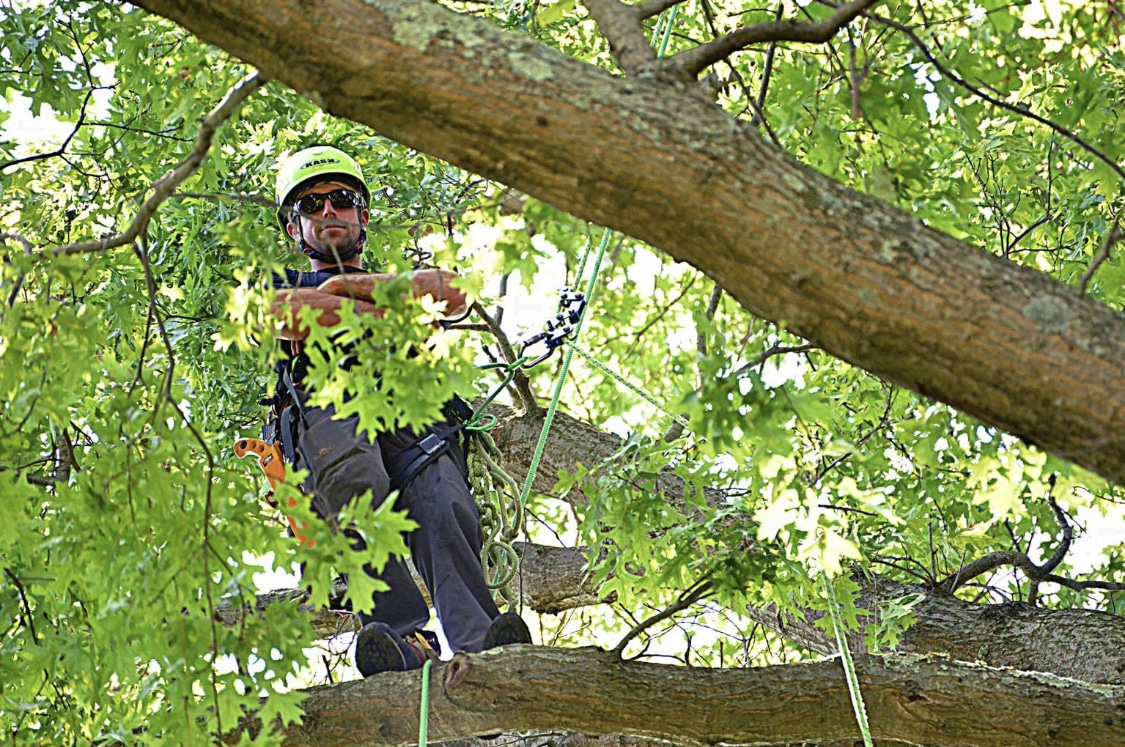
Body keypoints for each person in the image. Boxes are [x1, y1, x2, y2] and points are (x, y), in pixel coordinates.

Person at [264, 145, 531, 676]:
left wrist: (349, 288)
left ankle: (482, 644)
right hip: (330, 416)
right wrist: (390, 309)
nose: (327, 212)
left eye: (340, 200)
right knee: (356, 490)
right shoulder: (281, 288)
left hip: (415, 417)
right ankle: (402, 636)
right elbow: (288, 315)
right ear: (295, 230)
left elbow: (452, 292)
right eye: (311, 206)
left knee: (445, 506)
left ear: (362, 214)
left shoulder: (403, 280)